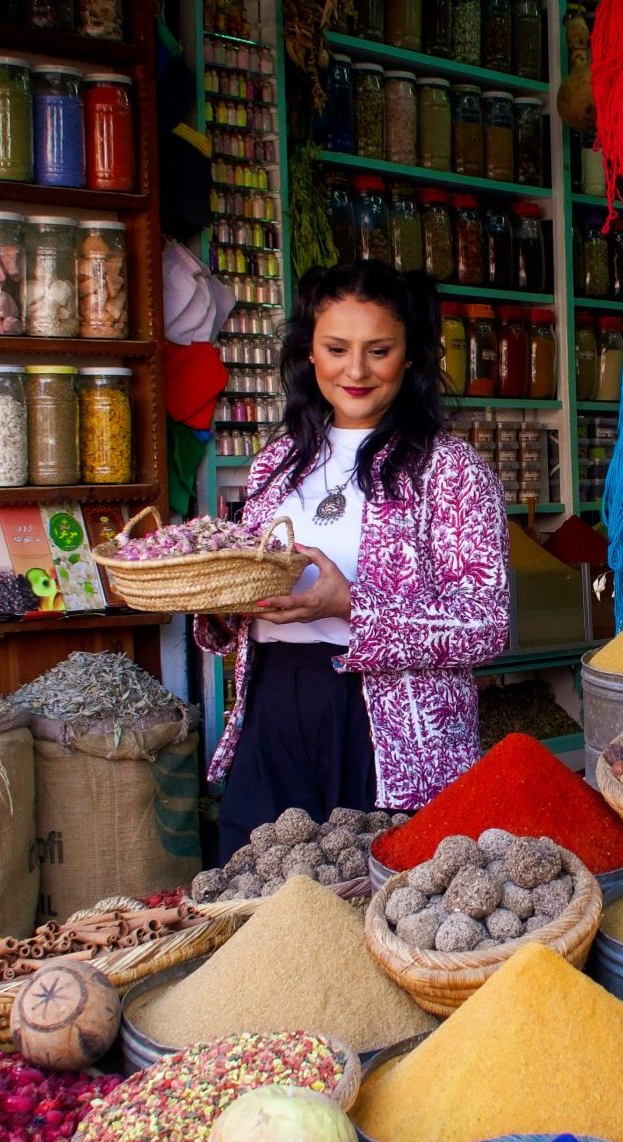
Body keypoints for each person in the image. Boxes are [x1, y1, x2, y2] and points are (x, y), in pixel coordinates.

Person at [195, 260, 509, 857]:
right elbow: (246, 597)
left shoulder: (450, 470)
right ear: (310, 353)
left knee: (381, 896)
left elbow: (486, 625)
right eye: (336, 348)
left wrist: (353, 608)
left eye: (379, 350)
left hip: (392, 724)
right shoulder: (276, 464)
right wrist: (218, 603)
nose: (355, 370)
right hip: (274, 704)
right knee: (260, 894)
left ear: (410, 356)